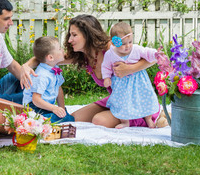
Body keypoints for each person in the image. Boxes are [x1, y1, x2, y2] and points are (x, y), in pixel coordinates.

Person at [23, 14, 160, 128]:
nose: (70, 40)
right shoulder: (84, 55)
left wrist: (130, 68)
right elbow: (46, 57)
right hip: (117, 99)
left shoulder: (111, 48)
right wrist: (26, 65)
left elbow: (154, 58)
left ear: (87, 35)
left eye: (74, 35)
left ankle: (150, 118)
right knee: (73, 118)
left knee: (99, 120)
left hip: (133, 101)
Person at [101, 22, 159, 129]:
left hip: (140, 82)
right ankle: (125, 122)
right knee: (122, 102)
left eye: (130, 42)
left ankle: (148, 119)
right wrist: (107, 77)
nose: (127, 46)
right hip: (121, 85)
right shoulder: (110, 54)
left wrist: (155, 53)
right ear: (114, 43)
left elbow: (147, 53)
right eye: (123, 44)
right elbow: (106, 66)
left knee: (146, 99)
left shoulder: (136, 49)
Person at [22, 36, 74, 123]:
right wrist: (54, 108)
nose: (62, 50)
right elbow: (36, 99)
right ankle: (36, 121)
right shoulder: (42, 75)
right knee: (63, 119)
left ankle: (47, 119)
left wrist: (62, 109)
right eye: (59, 49)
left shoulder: (54, 68)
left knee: (68, 118)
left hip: (46, 106)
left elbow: (58, 89)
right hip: (34, 107)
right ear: (50, 58)